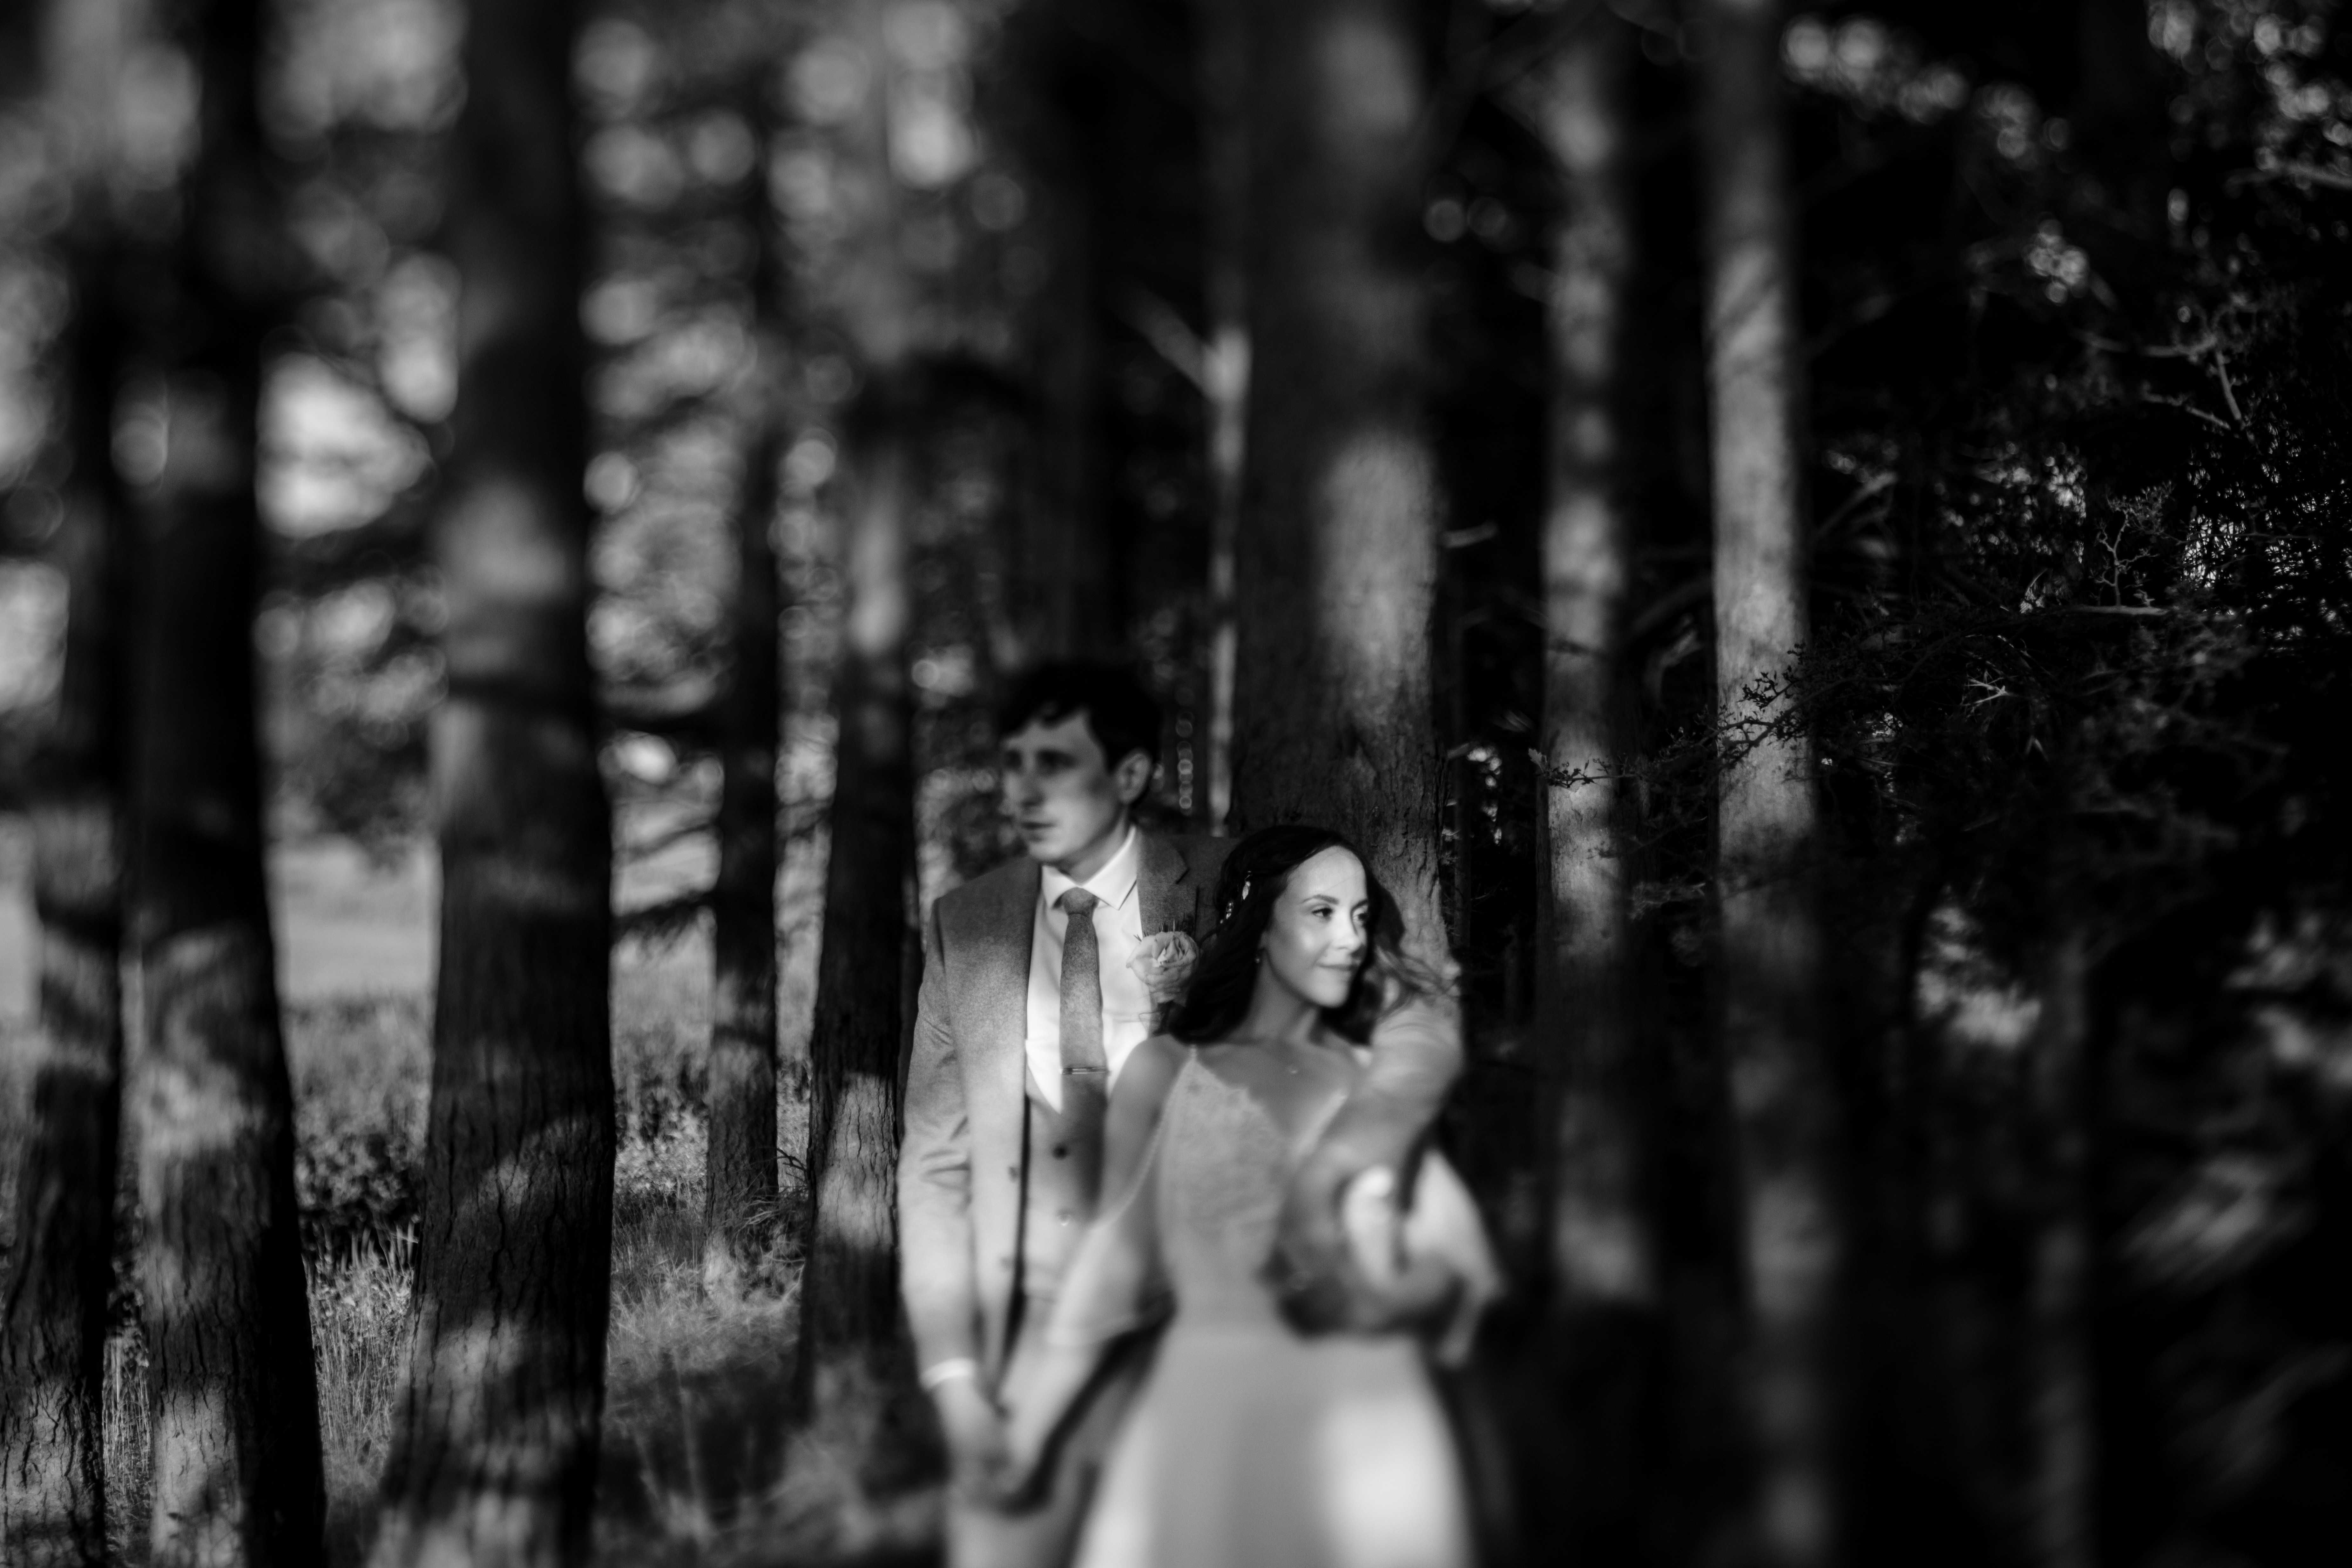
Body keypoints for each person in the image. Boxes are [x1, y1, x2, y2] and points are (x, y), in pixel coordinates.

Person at [898, 665, 1463, 1568]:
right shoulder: (963, 924)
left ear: (1127, 777)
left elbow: (1408, 1018)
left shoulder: (1236, 880)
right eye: (1012, 763)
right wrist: (955, 1378)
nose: (1024, 788)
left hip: (1218, 1331)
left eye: (1055, 761)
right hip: (1037, 1325)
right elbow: (933, 1165)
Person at [995, 825, 1500, 1568]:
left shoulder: (1375, 1080)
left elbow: (1454, 1266)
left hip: (1378, 1429)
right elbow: (1116, 1261)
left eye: (1361, 917)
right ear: (1259, 925)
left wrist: (1385, 1300)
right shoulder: (1166, 1071)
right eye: (1323, 911)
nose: (1351, 938)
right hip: (1214, 1419)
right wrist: (1028, 1435)